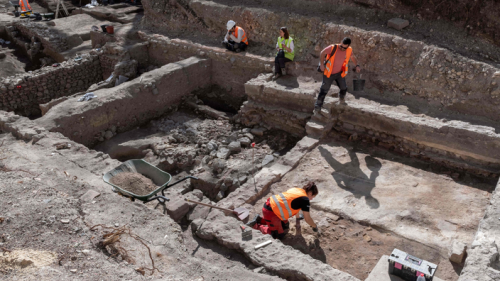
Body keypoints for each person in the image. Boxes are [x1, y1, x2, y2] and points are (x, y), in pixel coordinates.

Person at [246, 182, 319, 239]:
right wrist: (314, 226)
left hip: (271, 207)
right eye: (312, 196)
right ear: (310, 193)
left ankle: (259, 220)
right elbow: (307, 218)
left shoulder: (296, 190)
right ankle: (256, 226)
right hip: (271, 212)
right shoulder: (305, 200)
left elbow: (295, 205)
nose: (311, 199)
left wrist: (298, 218)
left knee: (285, 226)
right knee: (278, 235)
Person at [313, 37, 361, 113]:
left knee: (344, 88)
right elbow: (322, 53)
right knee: (323, 90)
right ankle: (317, 107)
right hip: (329, 73)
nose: (342, 48)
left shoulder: (349, 50)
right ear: (340, 42)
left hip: (339, 73)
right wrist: (322, 64)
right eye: (341, 46)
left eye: (344, 47)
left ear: (348, 46)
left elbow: (352, 57)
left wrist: (357, 65)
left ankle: (341, 100)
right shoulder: (333, 47)